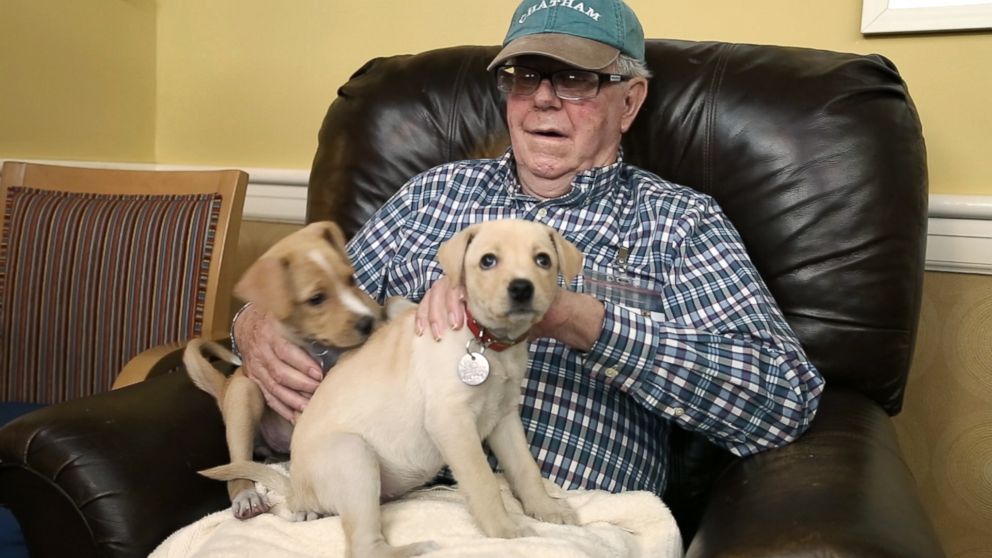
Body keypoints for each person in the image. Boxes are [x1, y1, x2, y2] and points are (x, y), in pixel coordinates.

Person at [232, 0, 825, 497]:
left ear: (631, 101)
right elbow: (312, 303)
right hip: (374, 492)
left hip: (559, 513)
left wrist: (584, 320)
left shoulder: (679, 223)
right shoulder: (431, 194)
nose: (542, 98)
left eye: (574, 78)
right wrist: (253, 325)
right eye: (523, 76)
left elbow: (783, 399)